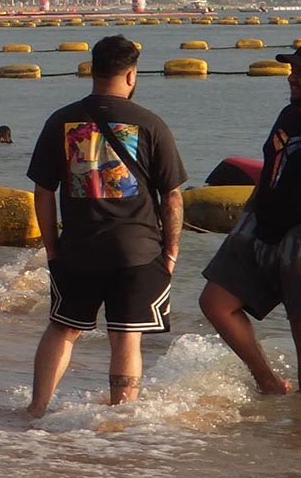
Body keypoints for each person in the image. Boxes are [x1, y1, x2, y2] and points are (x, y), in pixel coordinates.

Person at [25, 35, 186, 417]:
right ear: (131, 75)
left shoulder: (60, 121)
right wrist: (172, 252)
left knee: (63, 329)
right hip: (138, 251)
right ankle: (121, 422)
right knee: (126, 338)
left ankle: (36, 409)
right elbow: (173, 197)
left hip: (78, 249)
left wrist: (52, 249)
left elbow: (43, 192)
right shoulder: (151, 124)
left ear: (92, 71)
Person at [200, 41, 301, 395]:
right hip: (262, 227)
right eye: (291, 71)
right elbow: (273, 170)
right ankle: (268, 382)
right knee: (215, 302)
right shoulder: (288, 115)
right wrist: (247, 217)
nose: (291, 78)